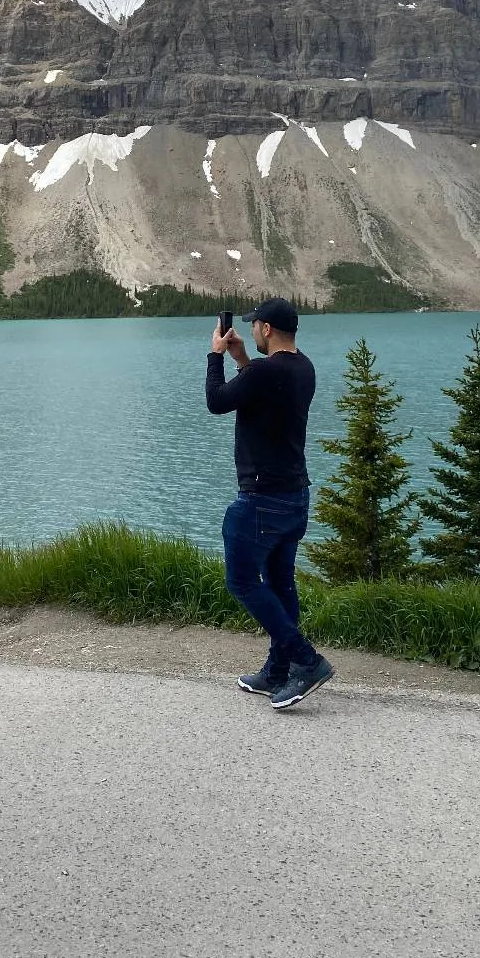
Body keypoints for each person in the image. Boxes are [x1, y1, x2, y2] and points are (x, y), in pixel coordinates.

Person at [206, 297, 335, 710]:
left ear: (265, 329)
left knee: (241, 581)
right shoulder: (303, 368)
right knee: (280, 584)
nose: (252, 331)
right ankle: (277, 671)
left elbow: (217, 401)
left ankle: (306, 660)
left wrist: (216, 356)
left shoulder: (264, 374)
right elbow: (260, 391)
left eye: (254, 326)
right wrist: (242, 358)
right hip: (295, 495)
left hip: (261, 499)